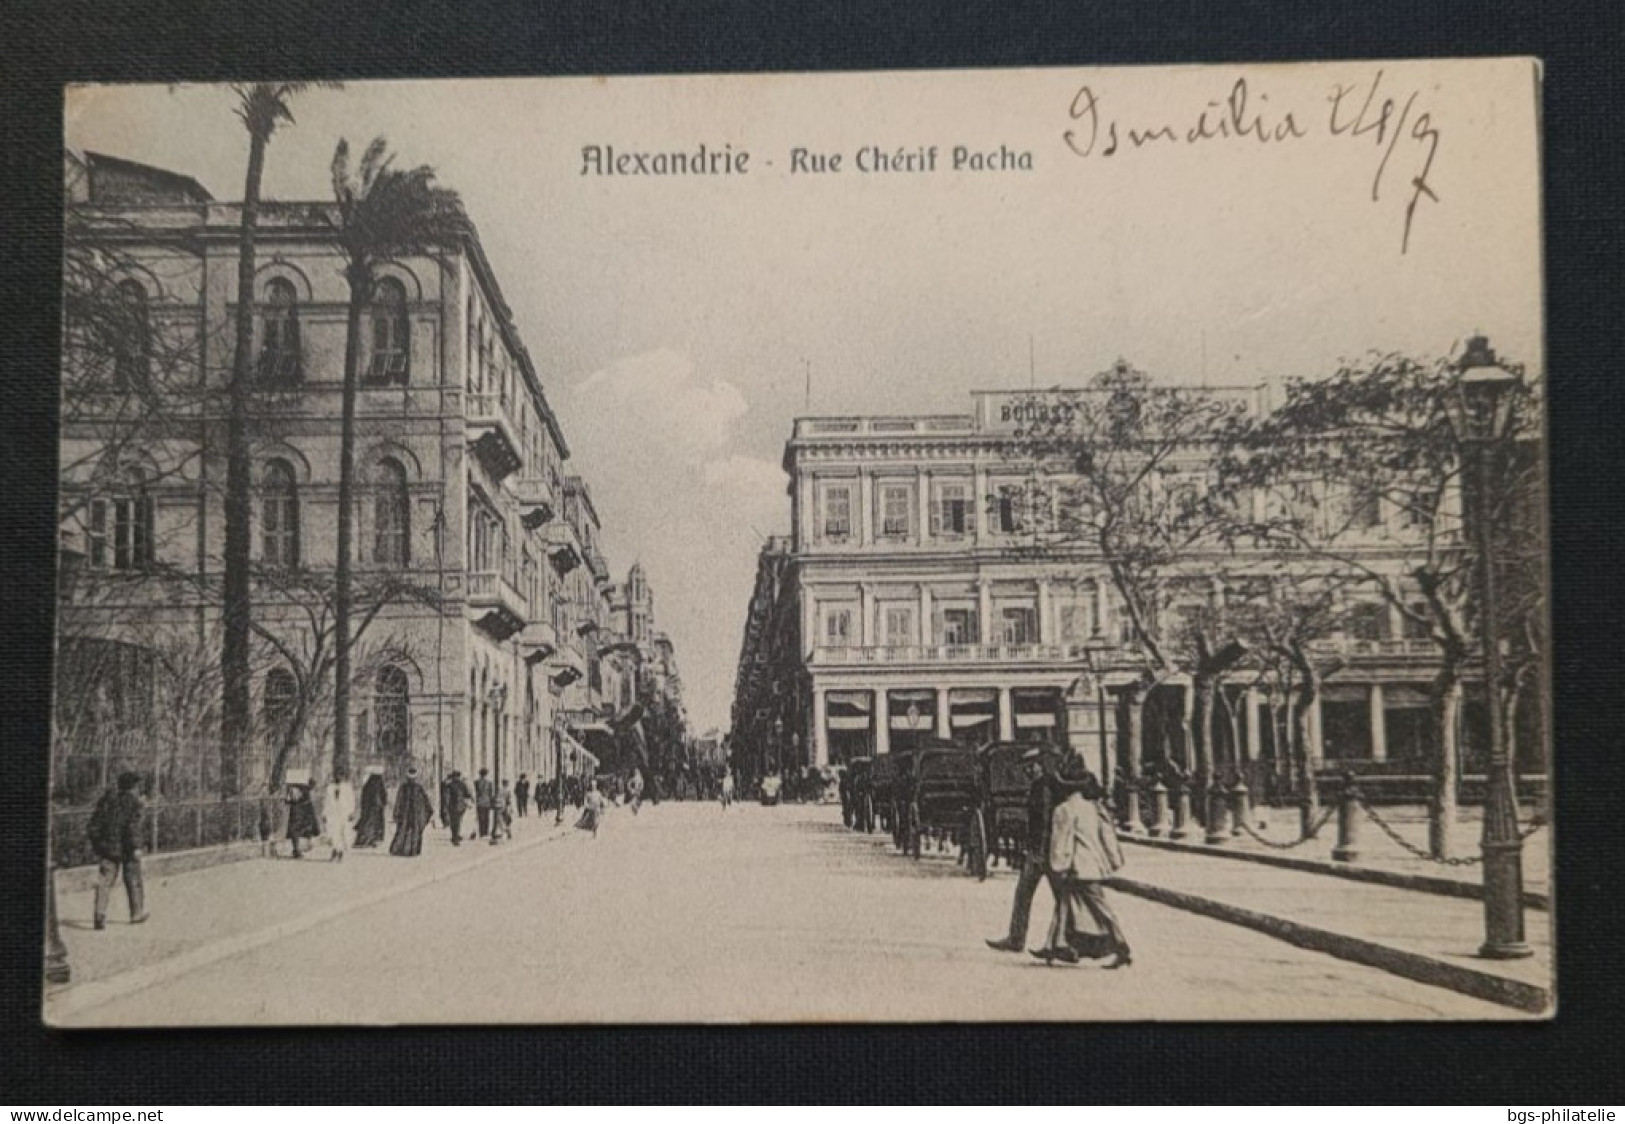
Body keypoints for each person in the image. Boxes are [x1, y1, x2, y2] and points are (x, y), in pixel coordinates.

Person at [1033, 761, 1132, 968]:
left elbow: (1062, 841)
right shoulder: (1093, 808)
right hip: (1092, 865)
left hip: (1077, 867)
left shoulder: (1064, 810)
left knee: (1099, 908)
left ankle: (1122, 945)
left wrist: (1058, 865)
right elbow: (1106, 836)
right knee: (1064, 904)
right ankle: (1053, 946)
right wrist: (1113, 860)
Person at [986, 746, 1063, 954]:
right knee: (1032, 894)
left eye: (1031, 766)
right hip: (1044, 850)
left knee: (1043, 895)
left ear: (1039, 766)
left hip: (1043, 851)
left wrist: (1039, 849)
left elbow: (1045, 820)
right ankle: (1017, 938)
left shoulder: (1044, 787)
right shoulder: (1042, 785)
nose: (1028, 770)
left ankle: (1021, 939)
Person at [87, 770, 148, 930]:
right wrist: (136, 847)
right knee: (133, 880)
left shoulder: (107, 800)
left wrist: (99, 845)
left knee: (105, 881)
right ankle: (136, 913)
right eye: (138, 786)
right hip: (127, 848)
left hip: (107, 847)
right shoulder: (135, 803)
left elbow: (94, 825)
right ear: (134, 787)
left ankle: (99, 914)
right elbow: (133, 827)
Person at [389, 766, 435, 857]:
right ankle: (413, 850)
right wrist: (429, 812)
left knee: (403, 831)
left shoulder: (403, 787)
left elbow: (399, 801)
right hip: (416, 814)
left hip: (405, 814)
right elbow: (426, 801)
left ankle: (400, 849)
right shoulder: (419, 788)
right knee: (415, 832)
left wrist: (396, 814)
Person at [284, 774, 320, 860]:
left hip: (305, 806)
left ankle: (303, 846)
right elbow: (289, 798)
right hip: (298, 807)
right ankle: (296, 849)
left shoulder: (302, 777)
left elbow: (313, 784)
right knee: (296, 828)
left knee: (306, 826)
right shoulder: (293, 781)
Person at [323, 774, 358, 863]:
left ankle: (340, 852)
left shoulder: (347, 788)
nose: (338, 778)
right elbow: (326, 802)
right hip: (333, 813)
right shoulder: (330, 788)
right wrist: (324, 814)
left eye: (340, 777)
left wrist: (352, 812)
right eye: (337, 777)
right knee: (333, 832)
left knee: (344, 833)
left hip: (344, 813)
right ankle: (335, 850)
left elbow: (352, 801)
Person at [354, 766, 388, 848]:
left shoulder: (368, 785)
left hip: (371, 808)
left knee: (369, 823)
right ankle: (369, 840)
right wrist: (383, 803)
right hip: (375, 808)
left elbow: (364, 798)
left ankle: (368, 840)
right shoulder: (378, 784)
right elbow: (383, 795)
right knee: (371, 824)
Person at [440, 769, 472, 845]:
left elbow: (446, 796)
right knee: (457, 821)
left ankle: (455, 836)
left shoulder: (449, 785)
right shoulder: (462, 784)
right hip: (460, 806)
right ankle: (456, 836)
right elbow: (467, 794)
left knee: (453, 821)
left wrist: (446, 805)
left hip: (452, 806)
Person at [490, 779, 514, 845]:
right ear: (507, 784)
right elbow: (509, 800)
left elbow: (494, 798)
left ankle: (504, 832)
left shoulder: (499, 790)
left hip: (499, 807)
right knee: (507, 820)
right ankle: (507, 832)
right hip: (504, 807)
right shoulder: (508, 791)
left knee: (500, 820)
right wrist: (511, 808)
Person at [474, 767, 495, 839]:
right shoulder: (489, 782)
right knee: (487, 817)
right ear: (486, 774)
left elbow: (477, 792)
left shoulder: (476, 782)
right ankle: (485, 832)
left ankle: (481, 832)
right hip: (487, 801)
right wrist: (492, 802)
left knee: (480, 818)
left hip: (479, 802)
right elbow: (491, 793)